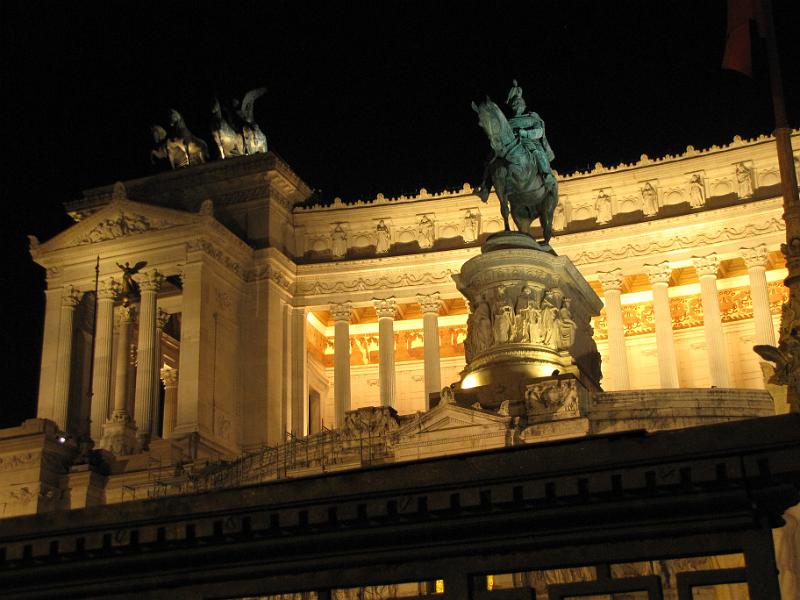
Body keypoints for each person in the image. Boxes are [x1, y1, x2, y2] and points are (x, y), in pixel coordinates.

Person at [506, 80, 556, 187]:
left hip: (530, 143)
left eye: (518, 104)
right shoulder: (508, 122)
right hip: (513, 146)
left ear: (523, 106)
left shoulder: (532, 117)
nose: (516, 106)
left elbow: (539, 132)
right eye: (514, 104)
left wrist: (525, 133)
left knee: (537, 152)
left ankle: (547, 175)